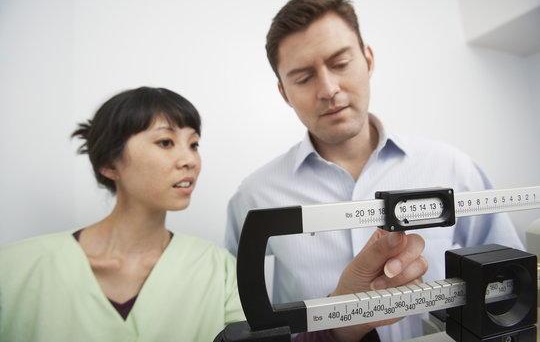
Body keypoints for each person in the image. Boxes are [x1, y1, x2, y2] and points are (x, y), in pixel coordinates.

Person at [0, 86, 425, 341]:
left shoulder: (220, 269)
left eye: (194, 143)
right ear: (109, 164)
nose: (190, 160)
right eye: (166, 143)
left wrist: (341, 315)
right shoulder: (16, 269)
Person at [224, 0, 524, 342]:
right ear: (283, 92)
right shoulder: (253, 198)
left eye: (340, 63)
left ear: (368, 59)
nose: (329, 89)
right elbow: (241, 321)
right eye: (303, 78)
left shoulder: (454, 168)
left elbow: (514, 288)